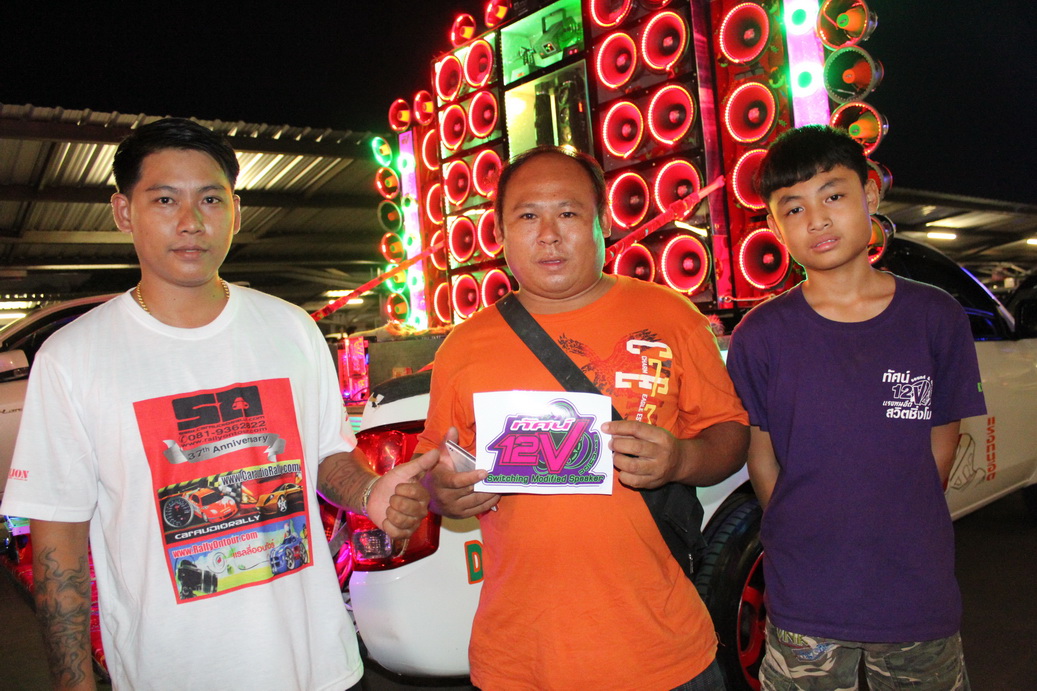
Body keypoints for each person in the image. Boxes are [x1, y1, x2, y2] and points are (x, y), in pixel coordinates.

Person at [0, 118, 438, 691]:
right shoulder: (73, 358)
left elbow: (325, 457)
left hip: (319, 668)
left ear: (236, 211)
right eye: (164, 199)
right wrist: (72, 682)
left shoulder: (291, 328)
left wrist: (367, 493)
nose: (191, 221)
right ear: (123, 212)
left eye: (210, 198)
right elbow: (58, 539)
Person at [419, 145, 750, 690]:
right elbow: (433, 466)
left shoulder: (671, 316)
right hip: (521, 660)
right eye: (528, 216)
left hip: (662, 650)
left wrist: (681, 459)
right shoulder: (463, 347)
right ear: (499, 233)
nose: (549, 235)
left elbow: (731, 434)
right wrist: (444, 492)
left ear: (603, 223)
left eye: (569, 213)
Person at [726, 125, 986, 690]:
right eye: (794, 208)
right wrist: (797, 525)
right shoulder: (760, 336)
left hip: (916, 592)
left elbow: (942, 441)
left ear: (869, 193)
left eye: (834, 196)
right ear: (774, 226)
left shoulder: (935, 317)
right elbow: (761, 455)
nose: (816, 220)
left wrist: (896, 518)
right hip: (804, 599)